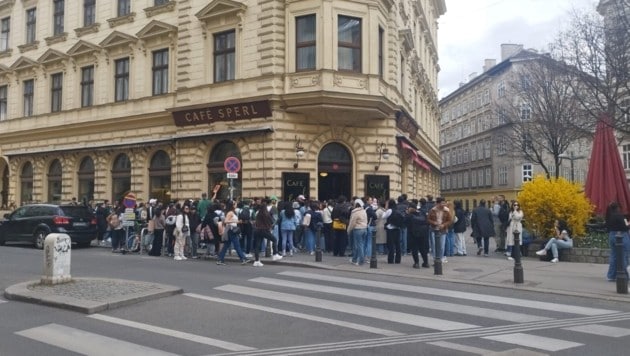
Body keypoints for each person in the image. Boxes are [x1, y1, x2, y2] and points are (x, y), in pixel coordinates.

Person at [216, 200, 251, 266]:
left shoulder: (232, 212)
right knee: (237, 245)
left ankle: (220, 259)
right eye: (235, 204)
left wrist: (237, 221)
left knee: (226, 245)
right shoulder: (230, 213)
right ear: (232, 205)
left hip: (231, 229)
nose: (236, 205)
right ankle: (243, 259)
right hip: (232, 230)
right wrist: (236, 221)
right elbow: (226, 221)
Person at [252, 199, 283, 267]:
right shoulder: (266, 213)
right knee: (274, 239)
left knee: (257, 245)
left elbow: (255, 221)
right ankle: (275, 255)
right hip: (264, 230)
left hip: (257, 230)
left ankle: (256, 261)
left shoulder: (258, 213)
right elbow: (272, 221)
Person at [603, 202, 629, 280]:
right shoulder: (621, 216)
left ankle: (611, 276)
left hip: (612, 235)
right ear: (618, 208)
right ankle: (624, 275)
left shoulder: (609, 217)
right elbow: (626, 227)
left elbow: (607, 226)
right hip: (622, 236)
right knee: (623, 256)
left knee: (613, 256)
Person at [427, 197, 452, 263]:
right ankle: (435, 259)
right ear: (438, 203)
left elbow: (449, 220)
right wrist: (434, 222)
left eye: (444, 203)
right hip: (434, 230)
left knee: (442, 246)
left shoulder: (446, 210)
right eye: (442, 203)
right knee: (434, 245)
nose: (444, 204)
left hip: (442, 230)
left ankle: (440, 259)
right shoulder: (432, 210)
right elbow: (428, 219)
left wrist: (443, 225)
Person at [407, 199, 430, 268]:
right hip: (423, 234)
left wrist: (407, 213)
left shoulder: (410, 215)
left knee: (414, 249)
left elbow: (405, 222)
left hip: (413, 234)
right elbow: (426, 221)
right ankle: (426, 263)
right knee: (422, 248)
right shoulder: (422, 212)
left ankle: (416, 263)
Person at [347, 198, 368, 266]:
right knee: (361, 245)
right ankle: (354, 259)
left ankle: (360, 261)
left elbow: (352, 223)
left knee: (358, 245)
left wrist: (348, 230)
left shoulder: (355, 212)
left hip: (358, 229)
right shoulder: (364, 211)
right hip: (364, 228)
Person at [383, 198, 402, 264]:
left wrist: (385, 209)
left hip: (390, 229)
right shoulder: (398, 210)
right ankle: (398, 260)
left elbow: (383, 216)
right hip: (397, 229)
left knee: (391, 245)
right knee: (397, 245)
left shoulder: (389, 210)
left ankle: (391, 260)